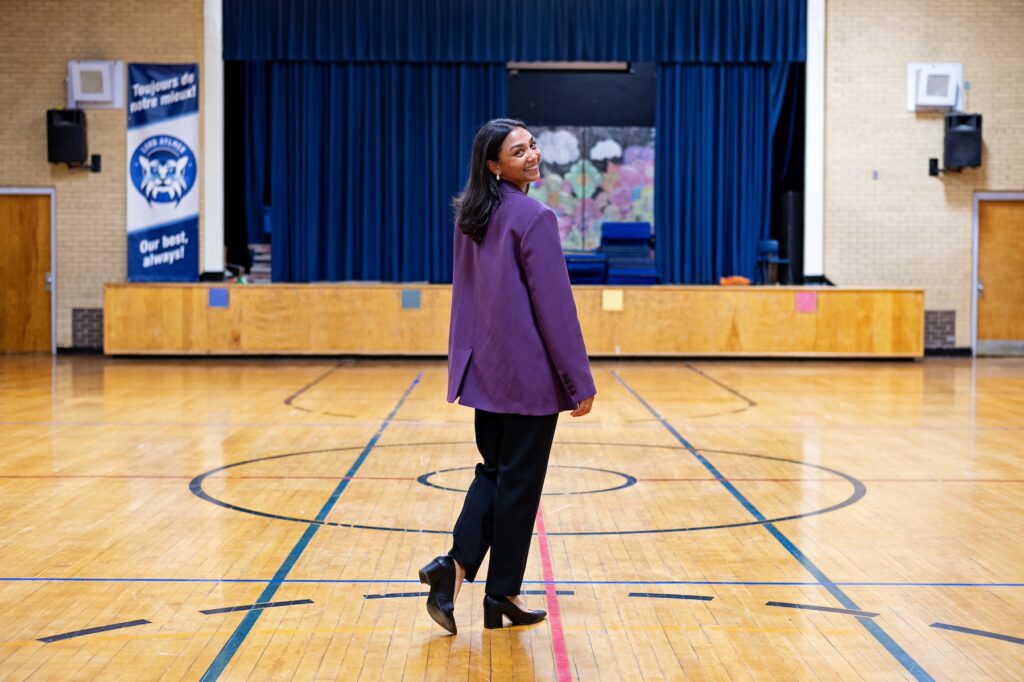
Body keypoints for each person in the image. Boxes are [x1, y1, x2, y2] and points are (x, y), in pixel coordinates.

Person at [419, 118, 596, 634]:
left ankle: (461, 573)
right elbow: (554, 308)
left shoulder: (471, 216)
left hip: (485, 370)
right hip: (527, 378)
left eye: (533, 145)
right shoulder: (534, 217)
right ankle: (493, 588)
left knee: (494, 473)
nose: (533, 155)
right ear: (494, 165)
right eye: (519, 151)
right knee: (518, 485)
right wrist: (578, 380)